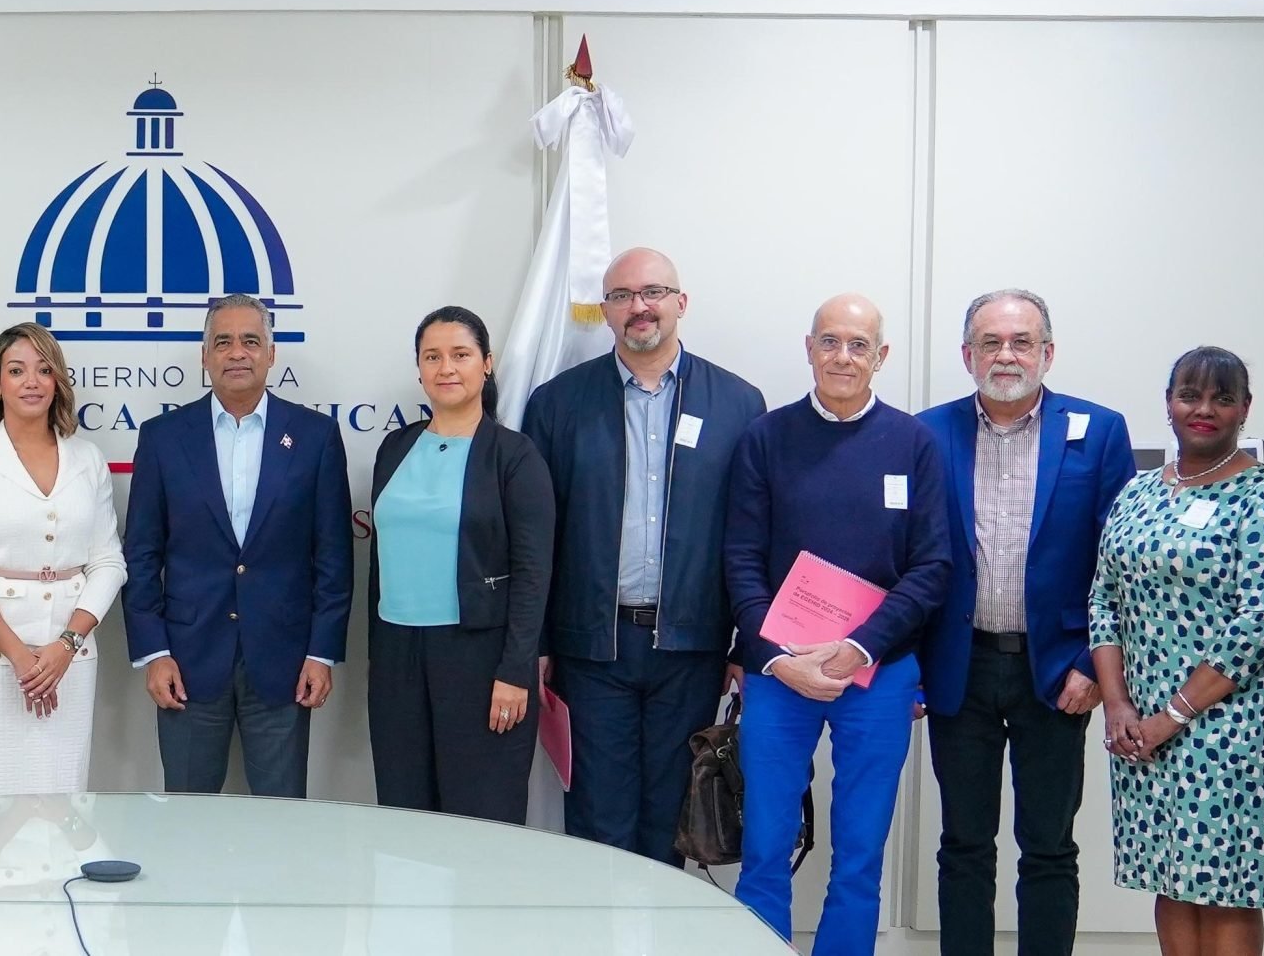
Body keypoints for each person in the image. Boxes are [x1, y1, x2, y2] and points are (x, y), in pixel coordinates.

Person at [724, 294, 952, 956]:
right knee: (764, 844)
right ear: (809, 348)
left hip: (878, 676)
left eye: (858, 344)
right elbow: (739, 556)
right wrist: (775, 655)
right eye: (830, 341)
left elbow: (932, 566)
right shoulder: (765, 438)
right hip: (779, 671)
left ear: (881, 356)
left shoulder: (915, 443)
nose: (843, 356)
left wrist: (859, 648)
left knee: (859, 853)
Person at [521, 248, 764, 861]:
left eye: (653, 291)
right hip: (593, 647)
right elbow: (536, 534)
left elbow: (755, 534)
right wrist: (541, 640)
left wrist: (747, 646)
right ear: (604, 311)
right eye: (623, 295)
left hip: (691, 645)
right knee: (598, 818)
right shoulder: (557, 405)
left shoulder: (739, 405)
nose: (639, 307)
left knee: (671, 816)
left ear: (681, 303)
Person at [915, 289, 1134, 956]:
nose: (1005, 354)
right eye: (990, 341)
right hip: (960, 666)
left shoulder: (1097, 431)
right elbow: (908, 558)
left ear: (1047, 350)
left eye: (1021, 341)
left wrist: (1093, 668)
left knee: (1048, 847)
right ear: (966, 353)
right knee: (963, 846)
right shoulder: (925, 431)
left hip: (1058, 672)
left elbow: (1118, 564)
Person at [1089, 347, 1264, 956]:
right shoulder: (1137, 492)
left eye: (1222, 398)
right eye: (1189, 395)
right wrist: (1120, 707)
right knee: (1170, 875)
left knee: (1224, 886)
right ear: (1168, 403)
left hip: (1230, 723)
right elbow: (1103, 600)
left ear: (1245, 409)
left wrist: (1171, 716)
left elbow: (1258, 619)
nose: (1203, 410)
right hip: (1142, 727)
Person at [123, 293, 353, 797]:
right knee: (187, 819)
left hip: (285, 661)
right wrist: (153, 652)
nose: (237, 353)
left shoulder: (315, 436)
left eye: (251, 341)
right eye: (222, 342)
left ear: (272, 355)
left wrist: (322, 652)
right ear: (204, 356)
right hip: (185, 659)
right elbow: (141, 554)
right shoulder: (163, 437)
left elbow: (333, 555)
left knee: (281, 821)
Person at [367, 305, 554, 823]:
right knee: (406, 815)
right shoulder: (395, 447)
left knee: (481, 819)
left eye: (460, 355)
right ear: (419, 369)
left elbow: (534, 573)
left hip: (480, 660)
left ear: (487, 363)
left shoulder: (515, 456)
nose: (446, 367)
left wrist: (516, 671)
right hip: (397, 658)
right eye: (432, 356)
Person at [0, 323, 127, 796]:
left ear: (58, 380)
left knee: (63, 794)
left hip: (71, 659)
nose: (32, 381)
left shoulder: (88, 459)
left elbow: (109, 562)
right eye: (16, 370)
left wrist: (65, 646)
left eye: (44, 370)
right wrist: (21, 657)